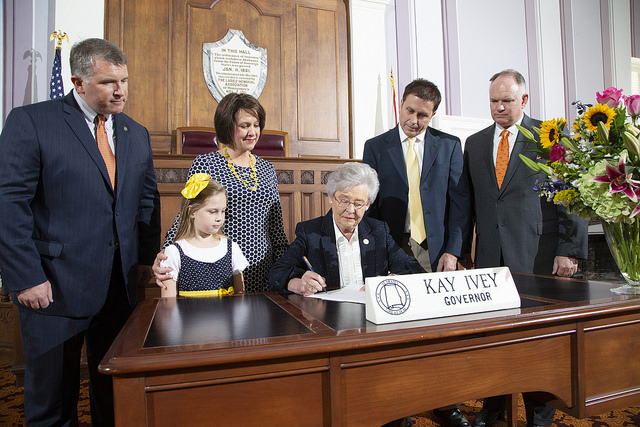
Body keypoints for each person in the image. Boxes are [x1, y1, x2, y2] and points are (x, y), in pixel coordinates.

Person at [0, 38, 160, 426]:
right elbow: (9, 205)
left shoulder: (136, 132)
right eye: (108, 82)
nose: (120, 90)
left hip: (118, 290)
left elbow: (145, 203)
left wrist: (142, 261)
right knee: (53, 404)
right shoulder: (33, 121)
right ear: (78, 81)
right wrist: (26, 277)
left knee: (114, 398)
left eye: (124, 80)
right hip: (53, 288)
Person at [463, 69, 588, 427]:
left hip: (539, 256)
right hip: (490, 260)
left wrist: (570, 250)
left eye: (506, 100)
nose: (499, 107)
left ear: (524, 100)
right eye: (493, 101)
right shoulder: (474, 142)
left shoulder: (550, 137)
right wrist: (464, 251)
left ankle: (540, 416)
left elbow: (571, 196)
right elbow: (469, 203)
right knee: (493, 339)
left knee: (538, 344)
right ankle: (493, 408)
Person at [363, 79, 472, 427]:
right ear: (402, 105)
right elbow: (372, 206)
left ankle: (445, 402)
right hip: (393, 247)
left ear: (433, 114)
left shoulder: (450, 145)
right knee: (395, 333)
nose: (414, 119)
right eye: (409, 110)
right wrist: (380, 259)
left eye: (423, 115)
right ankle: (399, 404)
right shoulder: (376, 146)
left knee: (442, 332)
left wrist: (454, 252)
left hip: (436, 251)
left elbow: (460, 204)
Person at [155, 93, 288, 292]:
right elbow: (186, 214)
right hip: (223, 270)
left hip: (263, 271)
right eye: (245, 126)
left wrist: (284, 267)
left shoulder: (267, 169)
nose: (252, 132)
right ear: (227, 126)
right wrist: (165, 254)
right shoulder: (206, 163)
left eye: (256, 124)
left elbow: (276, 228)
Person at [268, 162, 421, 295]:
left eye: (358, 203)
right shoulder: (311, 232)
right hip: (328, 317)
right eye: (344, 200)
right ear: (330, 197)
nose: (351, 210)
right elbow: (276, 273)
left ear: (368, 205)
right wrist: (297, 283)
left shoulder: (378, 232)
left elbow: (412, 268)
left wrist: (391, 280)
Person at [160, 174, 249, 297]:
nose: (219, 218)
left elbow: (240, 296)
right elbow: (168, 304)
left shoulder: (231, 248)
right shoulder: (174, 252)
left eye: (222, 211)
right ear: (192, 212)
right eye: (213, 212)